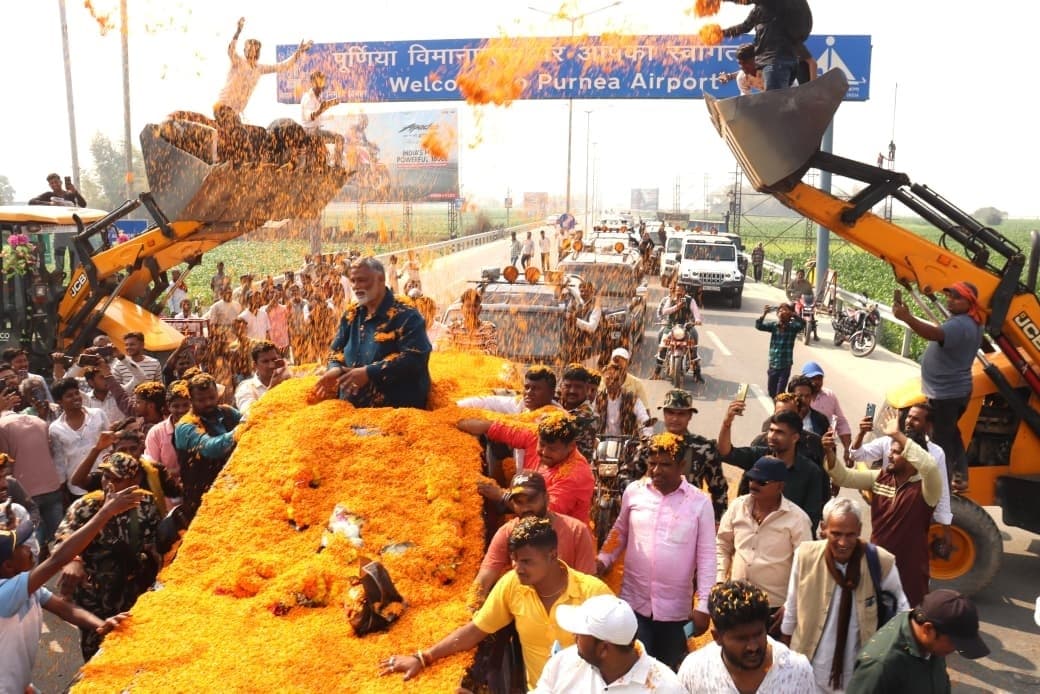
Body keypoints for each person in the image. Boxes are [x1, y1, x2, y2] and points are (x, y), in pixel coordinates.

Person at [379, 517, 612, 690]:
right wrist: (424, 657)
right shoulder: (513, 584)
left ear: (552, 555)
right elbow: (475, 630)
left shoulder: (593, 593)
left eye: (526, 561)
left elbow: (625, 658)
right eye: (513, 560)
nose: (516, 567)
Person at [0, 486, 144, 694]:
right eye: (21, 547)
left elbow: (65, 609)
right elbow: (58, 559)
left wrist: (102, 626)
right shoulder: (5, 592)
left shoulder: (26, 588)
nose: (30, 548)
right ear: (8, 566)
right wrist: (105, 513)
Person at [596, 433, 716, 670]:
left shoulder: (700, 503)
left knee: (667, 672)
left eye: (665, 465)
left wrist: (703, 606)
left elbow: (707, 557)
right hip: (633, 604)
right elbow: (620, 530)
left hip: (675, 613)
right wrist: (603, 559)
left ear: (682, 466)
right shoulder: (634, 491)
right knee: (634, 670)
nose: (656, 470)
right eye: (652, 464)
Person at [780, 496, 908, 693]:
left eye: (850, 535)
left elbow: (902, 612)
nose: (843, 542)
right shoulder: (805, 555)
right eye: (836, 534)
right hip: (811, 668)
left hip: (858, 672)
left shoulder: (881, 562)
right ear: (823, 529)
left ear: (859, 529)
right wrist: (786, 658)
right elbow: (792, 608)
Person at [823, 414, 942, 608]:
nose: (889, 456)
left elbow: (928, 466)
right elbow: (843, 477)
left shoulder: (927, 488)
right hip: (875, 564)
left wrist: (897, 433)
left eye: (895, 452)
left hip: (909, 571)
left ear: (912, 458)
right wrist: (829, 452)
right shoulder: (880, 477)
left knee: (905, 624)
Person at [54, 452, 162, 659]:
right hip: (94, 595)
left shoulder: (146, 504)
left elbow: (154, 545)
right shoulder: (86, 506)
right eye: (105, 477)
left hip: (131, 590)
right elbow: (61, 540)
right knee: (96, 649)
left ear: (135, 480)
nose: (108, 484)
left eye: (116, 479)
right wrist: (73, 561)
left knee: (132, 644)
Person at [892, 281, 984, 489]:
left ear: (969, 302)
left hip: (946, 394)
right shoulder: (971, 322)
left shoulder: (960, 324)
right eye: (949, 296)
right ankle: (960, 475)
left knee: (940, 441)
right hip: (952, 391)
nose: (950, 300)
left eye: (956, 297)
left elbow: (934, 334)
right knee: (950, 431)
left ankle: (942, 485)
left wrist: (907, 317)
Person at [314, 257, 432, 409]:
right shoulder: (352, 314)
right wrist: (335, 368)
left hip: (396, 415)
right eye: (353, 281)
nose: (356, 287)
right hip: (348, 413)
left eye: (362, 280)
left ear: (381, 279)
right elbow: (335, 351)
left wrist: (370, 373)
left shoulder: (407, 315)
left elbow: (415, 358)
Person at [849, 402, 954, 558]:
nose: (909, 421)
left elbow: (943, 492)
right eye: (909, 416)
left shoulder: (936, 453)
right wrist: (861, 433)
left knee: (909, 558)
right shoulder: (888, 442)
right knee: (881, 556)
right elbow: (857, 455)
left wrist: (946, 529)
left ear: (928, 426)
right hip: (887, 510)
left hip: (914, 514)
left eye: (916, 419)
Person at [473, 472, 596, 603]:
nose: (526, 508)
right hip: (523, 611)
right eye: (519, 502)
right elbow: (484, 580)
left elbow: (588, 585)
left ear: (546, 498)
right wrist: (472, 607)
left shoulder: (576, 531)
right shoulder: (507, 532)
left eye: (531, 500)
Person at [716, 457, 812, 624]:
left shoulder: (798, 519)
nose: (753, 484)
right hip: (736, 601)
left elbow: (806, 567)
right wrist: (719, 581)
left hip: (774, 609)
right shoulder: (737, 507)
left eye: (762, 482)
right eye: (751, 479)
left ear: (780, 486)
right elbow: (722, 545)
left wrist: (791, 605)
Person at [458, 411, 594, 523]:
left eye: (552, 449)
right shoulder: (535, 435)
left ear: (570, 446)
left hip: (561, 539)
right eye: (542, 445)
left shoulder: (575, 475)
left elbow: (542, 513)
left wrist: (501, 495)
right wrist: (450, 425)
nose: (544, 452)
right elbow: (493, 427)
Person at [679, 580, 815, 692]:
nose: (753, 647)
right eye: (741, 639)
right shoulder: (695, 672)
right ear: (717, 637)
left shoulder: (797, 672)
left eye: (758, 634)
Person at [846, 590, 989, 694]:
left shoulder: (931, 644)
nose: (955, 650)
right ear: (927, 629)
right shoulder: (880, 667)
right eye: (954, 643)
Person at [534, 594, 685, 693]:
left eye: (581, 633)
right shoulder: (562, 664)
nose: (574, 636)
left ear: (604, 649)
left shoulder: (666, 688)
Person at [720, 403, 826, 531]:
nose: (772, 436)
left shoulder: (811, 472)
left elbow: (811, 519)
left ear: (795, 438)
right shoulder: (758, 456)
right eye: (771, 430)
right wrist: (727, 424)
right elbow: (726, 453)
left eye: (779, 432)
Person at [214, 17, 311, 126]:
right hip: (223, 107)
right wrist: (238, 32)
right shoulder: (239, 62)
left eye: (253, 48)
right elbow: (230, 50)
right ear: (245, 50)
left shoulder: (259, 69)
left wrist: (299, 52)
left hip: (234, 112)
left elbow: (283, 66)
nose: (250, 50)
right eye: (248, 48)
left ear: (257, 51)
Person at [174, 373, 241, 524]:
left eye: (212, 397)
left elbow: (249, 421)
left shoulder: (227, 412)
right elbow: (211, 448)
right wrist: (239, 431)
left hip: (233, 492)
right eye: (202, 400)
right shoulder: (185, 426)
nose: (208, 403)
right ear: (190, 400)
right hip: (202, 500)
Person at [653, 389, 730, 522]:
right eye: (670, 412)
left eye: (681, 414)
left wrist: (718, 522)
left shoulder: (704, 448)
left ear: (690, 416)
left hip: (689, 519)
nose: (675, 418)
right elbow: (629, 476)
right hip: (653, 514)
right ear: (664, 414)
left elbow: (719, 490)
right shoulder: (651, 445)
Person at [721, 0, 807, 91]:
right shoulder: (757, 12)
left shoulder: (782, 9)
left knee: (774, 95)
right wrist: (721, 33)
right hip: (772, 62)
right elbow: (744, 27)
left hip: (778, 61)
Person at [49, 378, 110, 499]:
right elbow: (59, 460)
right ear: (60, 401)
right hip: (78, 486)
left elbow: (111, 441)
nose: (76, 397)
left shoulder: (98, 414)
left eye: (77, 393)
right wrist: (62, 484)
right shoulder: (55, 428)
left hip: (105, 477)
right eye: (69, 396)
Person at [799, 362, 853, 461]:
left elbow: (841, 423)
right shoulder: (796, 397)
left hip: (825, 450)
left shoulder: (829, 396)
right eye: (812, 378)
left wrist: (847, 449)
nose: (816, 382)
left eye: (819, 378)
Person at [652, 283, 703, 382]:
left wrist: (697, 319)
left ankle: (697, 374)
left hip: (686, 326)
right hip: (671, 326)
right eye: (677, 291)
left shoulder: (690, 300)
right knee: (663, 346)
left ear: (685, 292)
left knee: (693, 347)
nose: (678, 293)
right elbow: (664, 311)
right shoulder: (670, 299)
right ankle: (656, 372)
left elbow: (696, 312)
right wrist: (677, 307)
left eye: (681, 292)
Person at [144, 380, 192, 483]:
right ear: (168, 406)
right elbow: (152, 468)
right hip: (169, 493)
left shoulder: (202, 427)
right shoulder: (156, 433)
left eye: (185, 405)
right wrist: (180, 472)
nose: (181, 410)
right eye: (176, 406)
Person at [756, 302, 805, 398]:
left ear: (790, 314)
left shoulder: (793, 327)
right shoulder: (774, 326)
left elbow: (803, 324)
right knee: (771, 391)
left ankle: (779, 410)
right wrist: (764, 314)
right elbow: (759, 326)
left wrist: (794, 315)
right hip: (773, 364)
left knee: (780, 393)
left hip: (785, 365)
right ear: (777, 314)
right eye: (780, 310)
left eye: (785, 310)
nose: (782, 312)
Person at [593, 364, 653, 439]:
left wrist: (647, 436)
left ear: (621, 380)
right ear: (604, 379)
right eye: (608, 378)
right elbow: (591, 419)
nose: (611, 382)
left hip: (627, 445)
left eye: (616, 379)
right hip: (602, 445)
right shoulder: (598, 399)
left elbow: (644, 418)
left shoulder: (632, 399)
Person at [299, 70, 344, 166]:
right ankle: (331, 167)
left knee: (339, 138)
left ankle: (337, 167)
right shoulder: (308, 98)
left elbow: (319, 113)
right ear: (313, 83)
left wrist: (328, 105)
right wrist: (322, 109)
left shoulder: (317, 96)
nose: (322, 86)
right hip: (309, 132)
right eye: (319, 82)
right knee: (337, 139)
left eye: (322, 82)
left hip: (316, 131)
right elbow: (310, 116)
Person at [558, 363, 600, 463]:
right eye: (568, 386)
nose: (572, 391)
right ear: (561, 386)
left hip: (573, 471)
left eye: (578, 387)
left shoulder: (587, 416)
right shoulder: (558, 405)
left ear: (587, 389)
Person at [442, 288, 498, 354]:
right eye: (468, 306)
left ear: (480, 309)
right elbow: (445, 349)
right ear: (462, 308)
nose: (471, 309)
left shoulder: (488, 328)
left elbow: (493, 351)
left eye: (475, 306)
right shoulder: (453, 327)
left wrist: (475, 354)